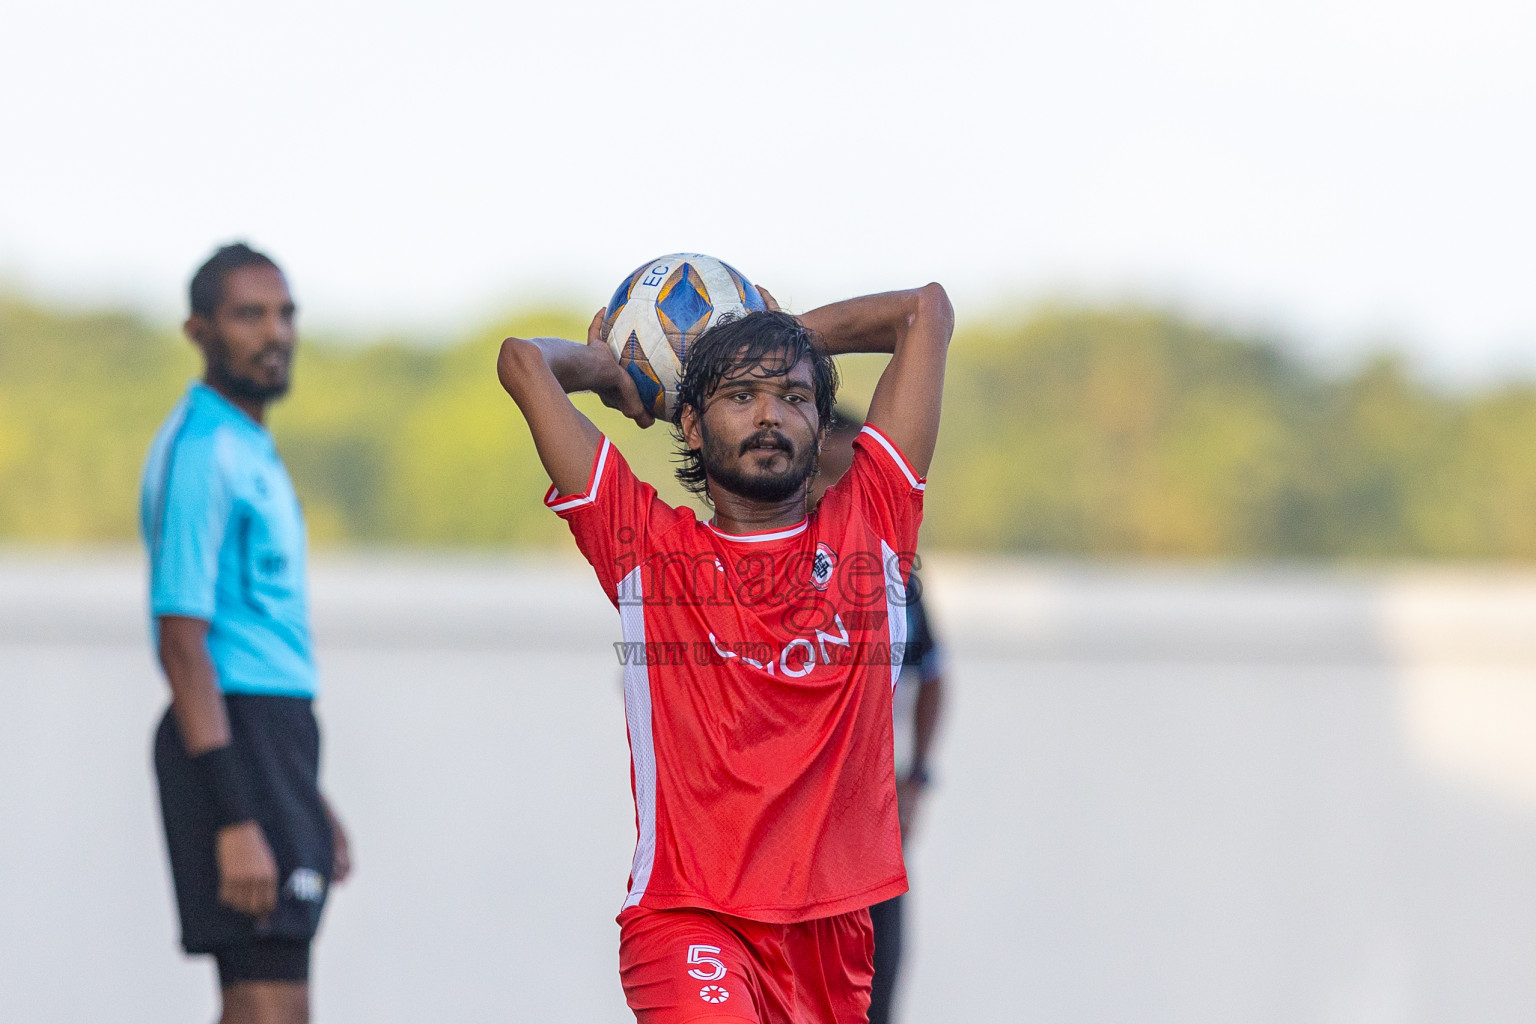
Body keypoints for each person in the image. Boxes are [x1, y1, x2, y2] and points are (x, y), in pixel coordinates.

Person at [496, 282, 953, 1023]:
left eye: (794, 396)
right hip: (691, 921)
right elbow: (522, 363)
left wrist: (765, 340)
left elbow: (923, 312)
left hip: (834, 934)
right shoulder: (644, 546)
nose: (771, 413)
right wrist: (611, 368)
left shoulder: (874, 523)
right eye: (739, 394)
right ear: (692, 425)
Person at [140, 243, 350, 1024]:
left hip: (275, 745)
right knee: (269, 1007)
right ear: (200, 330)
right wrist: (237, 816)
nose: (275, 332)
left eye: (285, 312)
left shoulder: (247, 444)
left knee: (269, 1008)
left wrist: (308, 798)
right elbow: (182, 641)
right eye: (249, 314)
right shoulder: (205, 450)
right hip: (238, 743)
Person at [810, 410, 948, 1024]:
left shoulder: (890, 564)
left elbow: (934, 674)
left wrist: (918, 775)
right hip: (784, 834)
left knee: (873, 997)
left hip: (868, 826)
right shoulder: (767, 542)